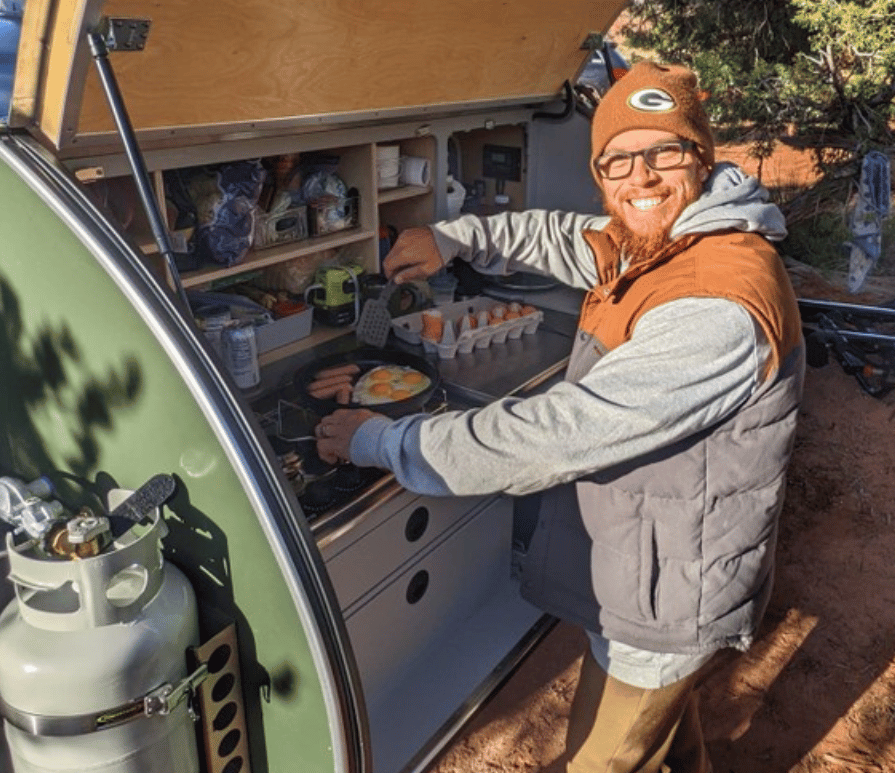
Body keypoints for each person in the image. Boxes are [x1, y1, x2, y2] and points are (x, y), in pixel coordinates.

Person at [315, 61, 805, 772]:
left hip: (668, 597)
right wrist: (453, 239)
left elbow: (552, 436)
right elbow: (559, 236)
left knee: (605, 754)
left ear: (703, 158)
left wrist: (383, 440)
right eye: (617, 160)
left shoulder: (719, 301)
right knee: (672, 732)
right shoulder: (663, 241)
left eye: (665, 152)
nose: (640, 178)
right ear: (600, 170)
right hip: (654, 558)